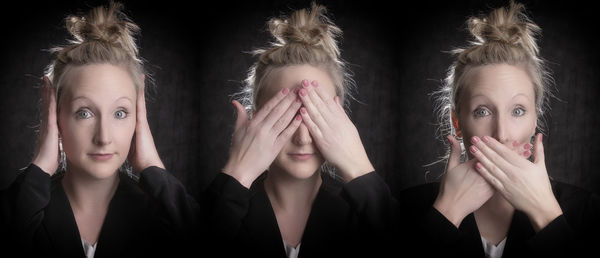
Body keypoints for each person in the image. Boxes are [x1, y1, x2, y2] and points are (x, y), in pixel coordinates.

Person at [396, 1, 600, 257]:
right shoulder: (407, 209)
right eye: (483, 111)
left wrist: (545, 214)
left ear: (535, 119)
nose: (501, 134)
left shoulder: (584, 211)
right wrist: (448, 212)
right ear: (457, 123)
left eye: (517, 111)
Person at [0, 2, 200, 257]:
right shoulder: (21, 207)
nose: (104, 137)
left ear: (138, 118)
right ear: (55, 116)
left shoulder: (163, 213)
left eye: (120, 113)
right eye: (84, 113)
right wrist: (39, 167)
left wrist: (152, 166)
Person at [204, 2, 396, 257]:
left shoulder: (362, 213)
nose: (302, 138)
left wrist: (360, 168)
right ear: (256, 118)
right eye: (286, 116)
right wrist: (237, 173)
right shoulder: (219, 206)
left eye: (315, 115)